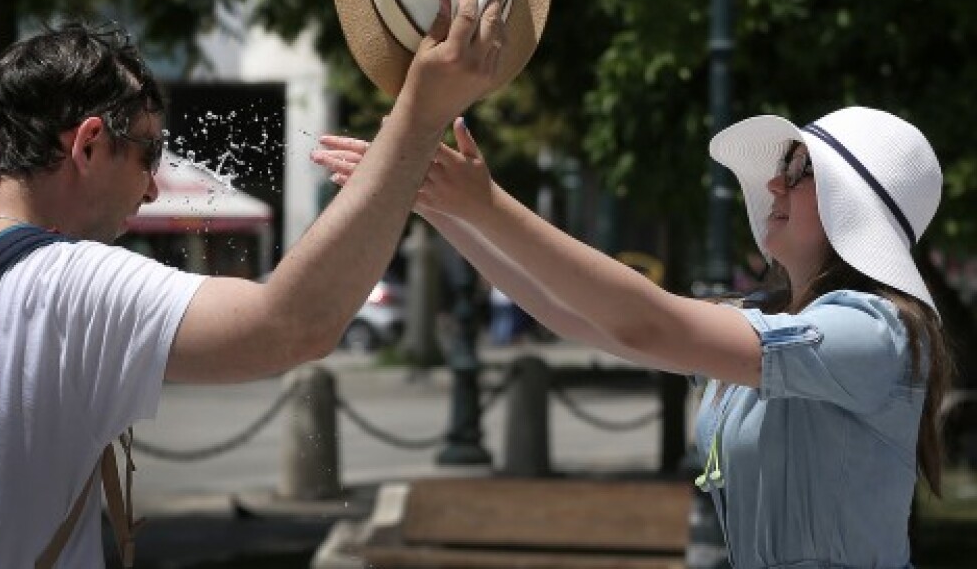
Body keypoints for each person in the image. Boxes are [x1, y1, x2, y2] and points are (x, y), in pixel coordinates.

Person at [0, 0, 506, 567]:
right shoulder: (70, 286)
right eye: (147, 153)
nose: (150, 190)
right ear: (87, 144)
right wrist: (419, 116)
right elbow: (292, 325)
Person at [314, 106, 950, 567]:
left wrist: (484, 205)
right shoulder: (774, 317)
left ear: (855, 203)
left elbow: (647, 322)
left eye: (802, 171)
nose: (776, 184)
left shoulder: (876, 333)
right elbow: (577, 317)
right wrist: (442, 206)